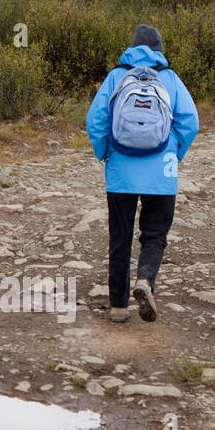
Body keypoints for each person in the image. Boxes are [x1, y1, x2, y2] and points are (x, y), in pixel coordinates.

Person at [85, 24, 199, 323]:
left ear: (131, 47)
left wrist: (104, 153)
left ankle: (119, 307)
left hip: (120, 170)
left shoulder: (116, 77)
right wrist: (174, 154)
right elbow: (191, 123)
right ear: (159, 50)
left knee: (119, 237)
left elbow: (95, 120)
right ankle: (145, 281)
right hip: (162, 172)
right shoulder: (170, 79)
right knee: (155, 234)